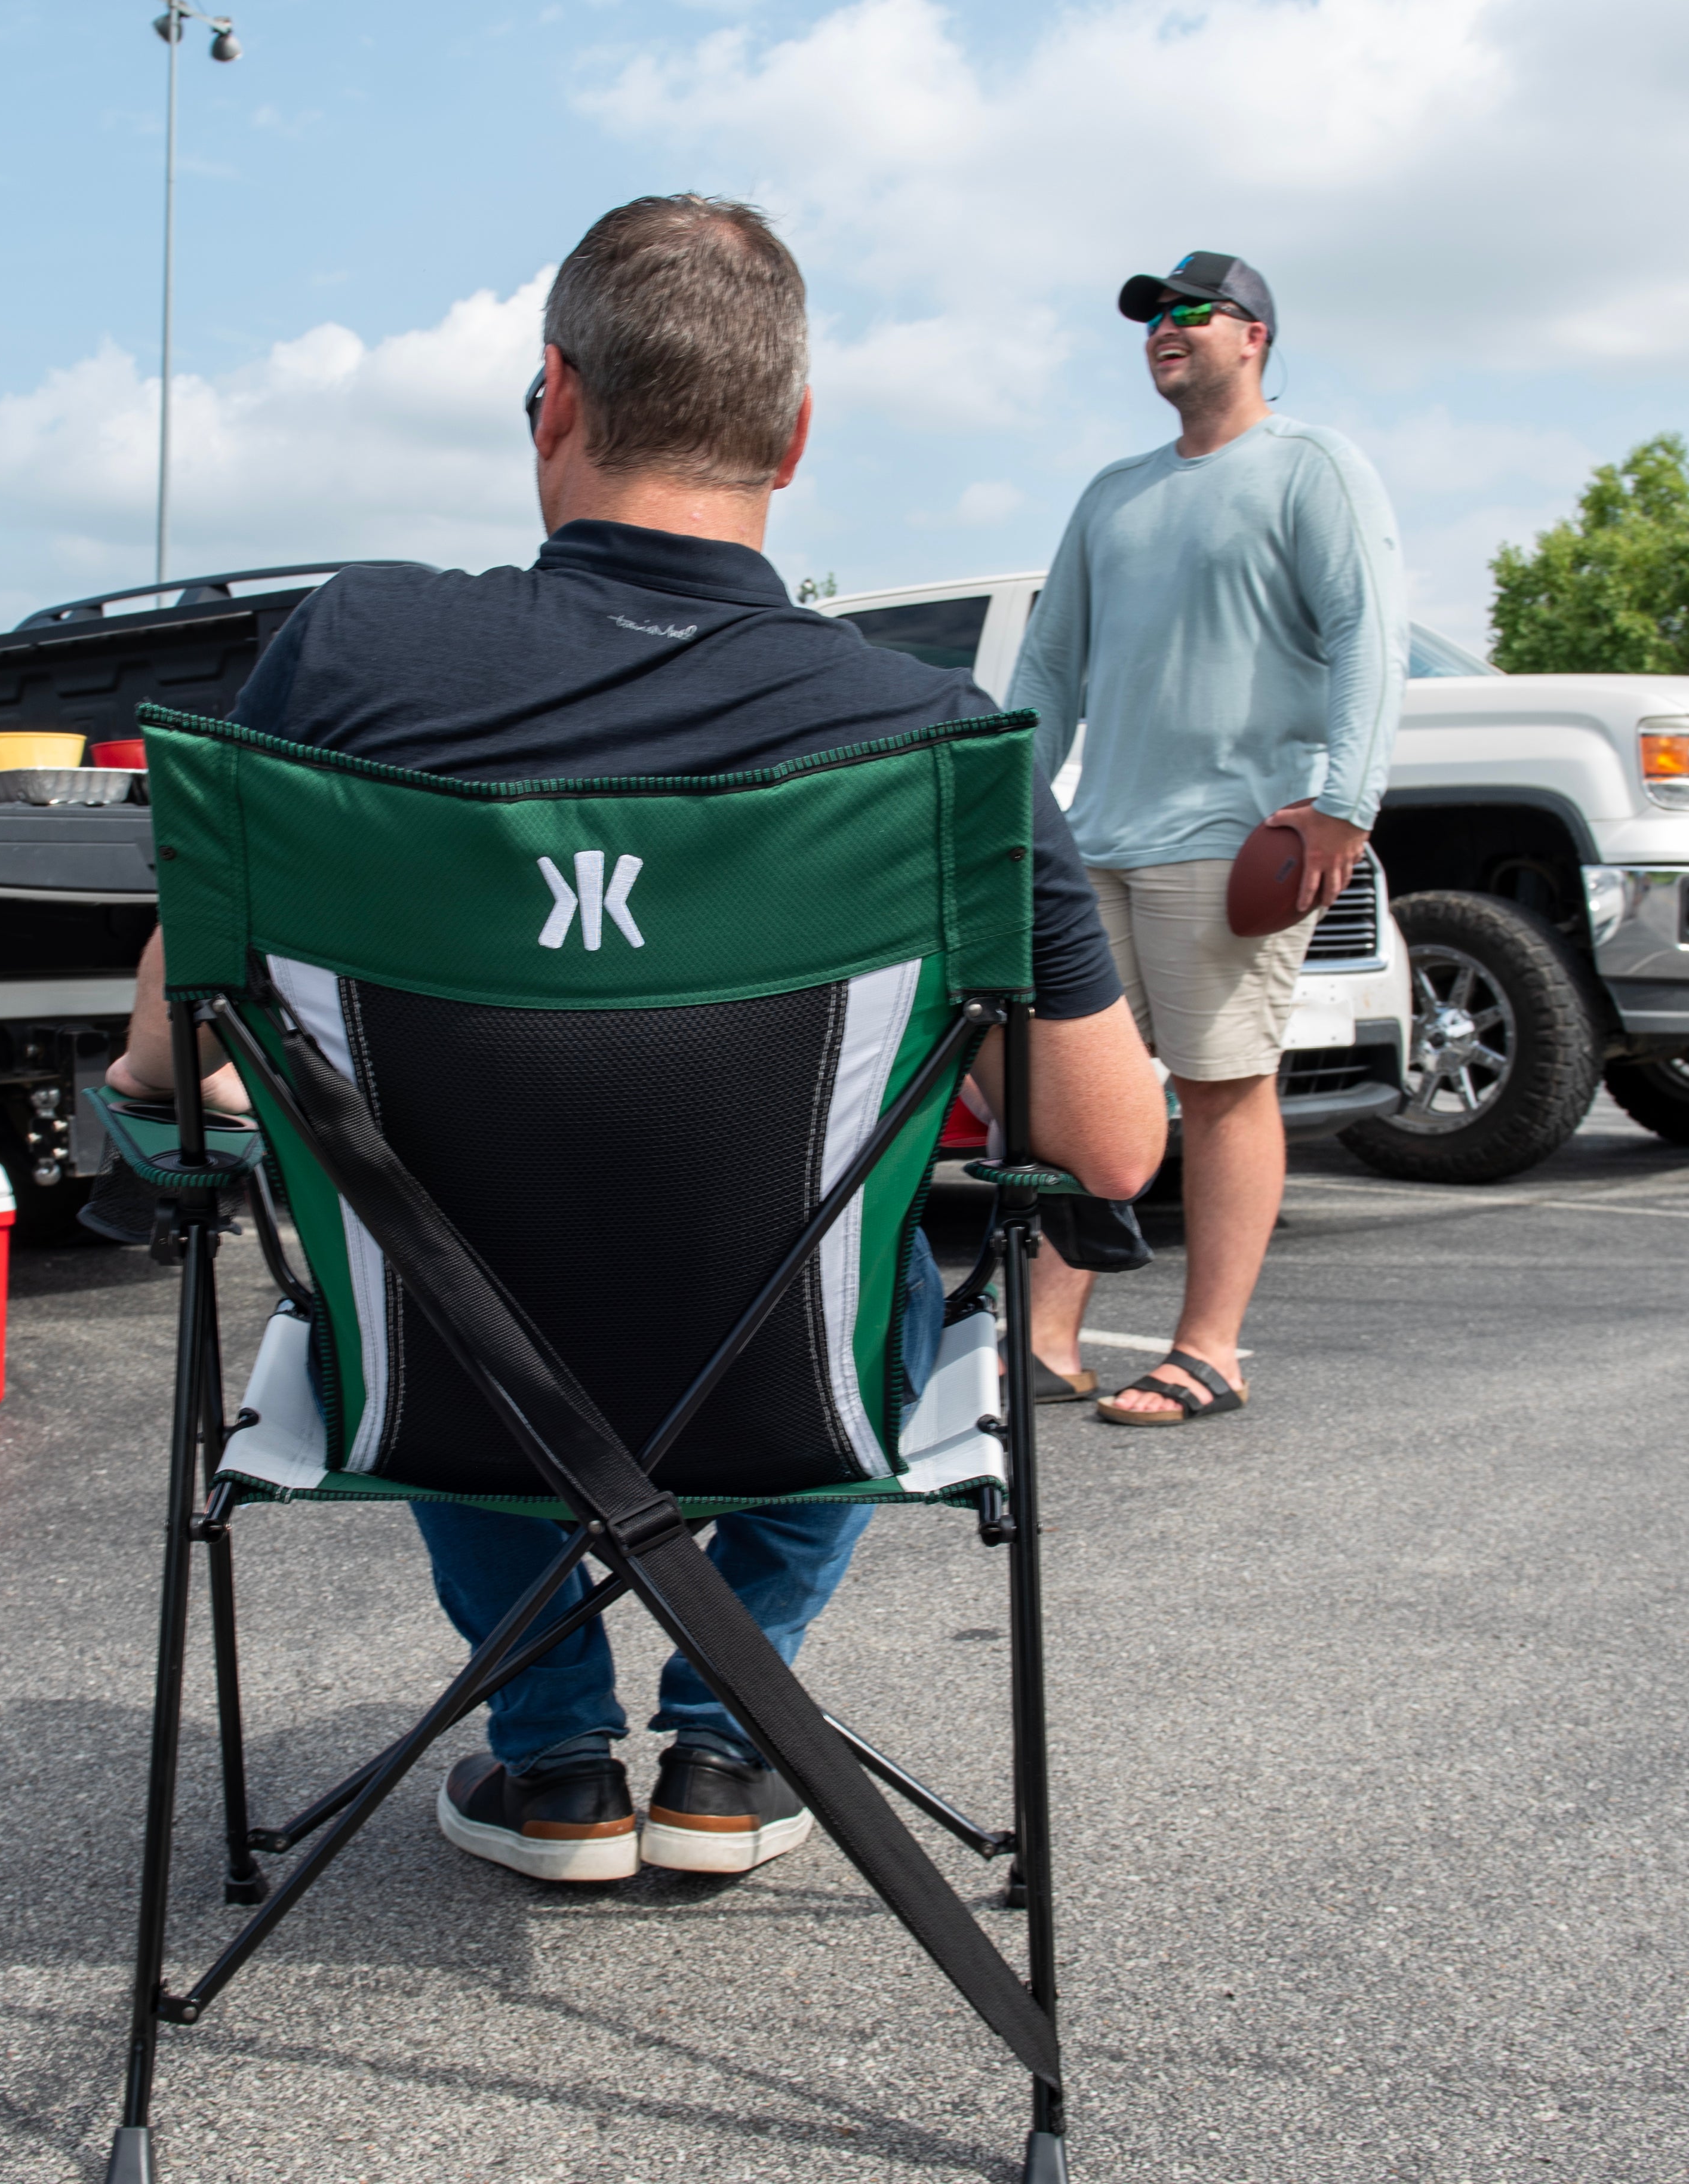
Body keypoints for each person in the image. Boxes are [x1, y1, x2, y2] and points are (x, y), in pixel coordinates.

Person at [115, 196, 1165, 1881]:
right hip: (801, 1399)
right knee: (856, 1244)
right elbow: (1115, 1148)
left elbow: (170, 1055)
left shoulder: (351, 657)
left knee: (430, 1226)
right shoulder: (923, 747)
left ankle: (550, 1759)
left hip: (437, 1394)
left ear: (553, 396)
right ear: (795, 438)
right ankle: (727, 1739)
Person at [1008, 252, 1406, 1426]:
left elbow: (1364, 636)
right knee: (1079, 1091)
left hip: (1231, 836)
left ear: (1254, 337)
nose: (1164, 332)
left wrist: (1344, 801)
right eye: (1150, 320)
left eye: (1190, 314)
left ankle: (1209, 1350)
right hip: (1101, 839)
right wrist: (1003, 810)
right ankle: (1043, 1337)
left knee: (1222, 1084)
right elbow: (1047, 666)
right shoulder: (1110, 493)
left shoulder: (1313, 468)